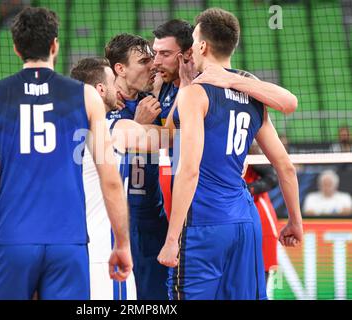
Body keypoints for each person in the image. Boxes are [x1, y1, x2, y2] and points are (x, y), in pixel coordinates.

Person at [0, 7, 132, 300]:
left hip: (13, 241)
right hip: (68, 243)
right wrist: (122, 244)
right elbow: (110, 179)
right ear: (55, 45)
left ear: (15, 48)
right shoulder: (86, 96)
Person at [157, 8, 303, 300]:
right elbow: (285, 166)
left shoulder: (195, 95)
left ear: (201, 45)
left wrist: (172, 239)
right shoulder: (253, 93)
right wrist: (295, 221)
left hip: (203, 224)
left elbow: (190, 169)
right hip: (244, 224)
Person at [105, 33, 169, 300]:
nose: (152, 65)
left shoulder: (158, 101)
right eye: (143, 61)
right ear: (120, 69)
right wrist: (142, 125)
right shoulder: (101, 107)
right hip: (116, 223)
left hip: (153, 219)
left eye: (152, 59)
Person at [244, 141, 279, 285]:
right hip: (235, 217)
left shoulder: (250, 154)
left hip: (259, 217)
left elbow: (273, 178)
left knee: (259, 282)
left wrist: (247, 188)